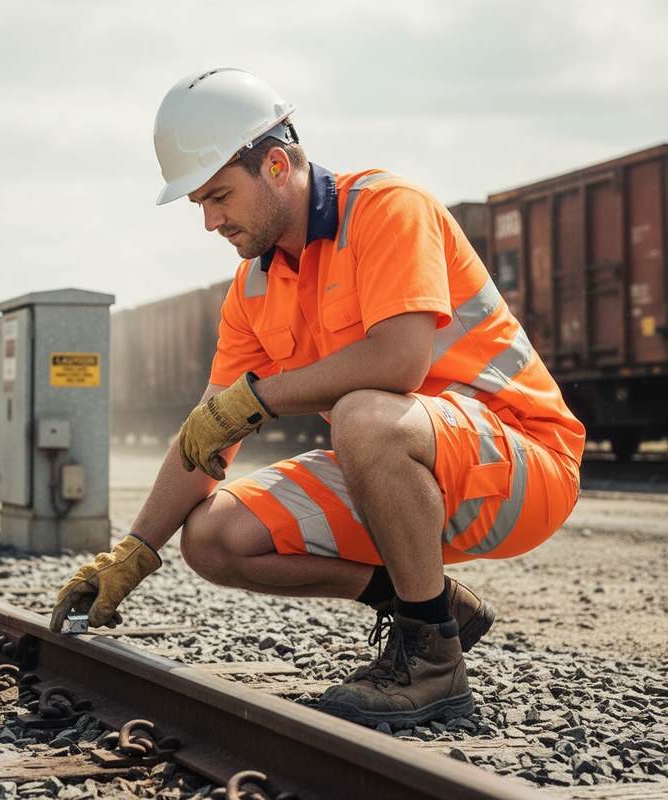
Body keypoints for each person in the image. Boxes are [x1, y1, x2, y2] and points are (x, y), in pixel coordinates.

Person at [50, 67, 585, 729]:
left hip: (520, 466)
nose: (210, 221)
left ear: (277, 165)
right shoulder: (252, 288)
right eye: (199, 205)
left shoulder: (387, 209)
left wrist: (256, 399)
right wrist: (135, 552)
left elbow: (399, 361)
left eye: (219, 196)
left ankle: (433, 665)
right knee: (212, 537)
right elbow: (208, 432)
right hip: (403, 472)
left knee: (364, 414)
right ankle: (435, 607)